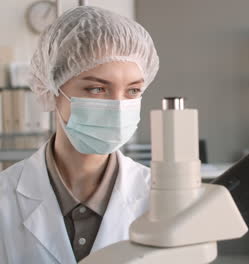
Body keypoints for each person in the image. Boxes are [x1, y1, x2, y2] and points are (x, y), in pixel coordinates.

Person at [0, 6, 159, 263]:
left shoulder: (161, 198)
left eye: (132, 91)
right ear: (51, 88)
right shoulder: (5, 198)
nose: (117, 107)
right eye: (97, 89)